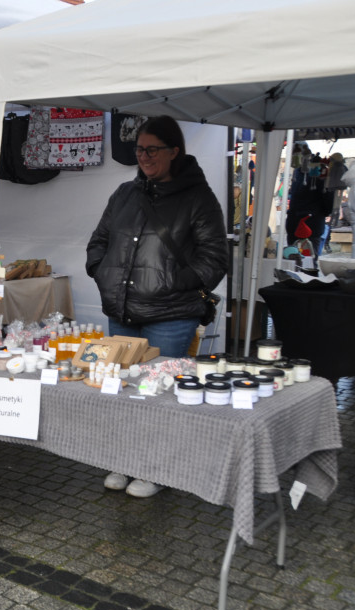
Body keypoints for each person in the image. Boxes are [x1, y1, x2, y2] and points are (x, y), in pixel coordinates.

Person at [86, 115, 227, 498]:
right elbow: (98, 240)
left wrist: (170, 282)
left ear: (174, 151)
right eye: (139, 149)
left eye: (153, 149)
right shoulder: (124, 194)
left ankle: (157, 468)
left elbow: (215, 259)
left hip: (170, 316)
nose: (144, 156)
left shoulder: (198, 198)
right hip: (123, 314)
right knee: (123, 392)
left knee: (158, 395)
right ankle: (126, 460)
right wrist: (102, 272)